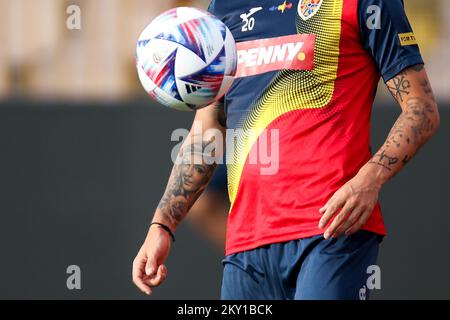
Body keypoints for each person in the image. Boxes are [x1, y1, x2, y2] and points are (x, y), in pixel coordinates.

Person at [132, 0, 440, 299]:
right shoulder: (224, 9)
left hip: (332, 229)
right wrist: (163, 223)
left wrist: (369, 180)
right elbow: (207, 131)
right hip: (246, 247)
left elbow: (421, 108)